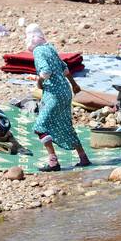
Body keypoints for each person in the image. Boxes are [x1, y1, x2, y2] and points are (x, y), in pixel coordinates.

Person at [26, 23, 91, 172]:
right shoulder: (50, 48)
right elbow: (65, 68)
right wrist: (74, 85)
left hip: (54, 93)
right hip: (65, 91)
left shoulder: (37, 52)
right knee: (65, 124)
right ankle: (83, 158)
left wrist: (39, 82)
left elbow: (46, 71)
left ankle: (53, 162)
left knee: (40, 126)